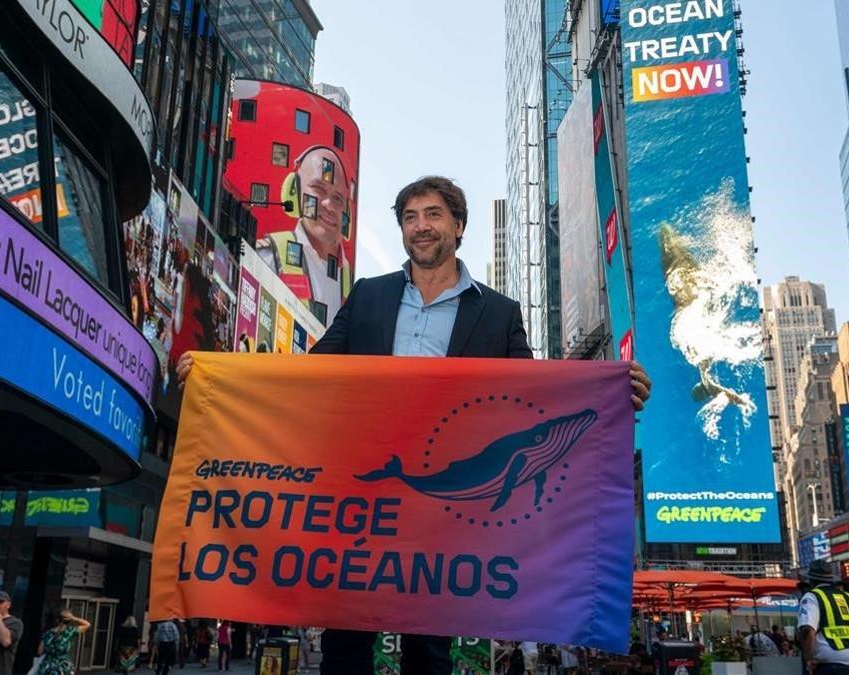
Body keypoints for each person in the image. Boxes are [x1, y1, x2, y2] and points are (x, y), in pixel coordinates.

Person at [176, 176, 653, 675]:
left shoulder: (498, 313)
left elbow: (531, 398)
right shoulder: (368, 297)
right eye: (409, 218)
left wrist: (609, 398)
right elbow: (309, 375)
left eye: (432, 215)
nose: (420, 227)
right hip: (361, 504)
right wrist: (219, 376)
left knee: (429, 649)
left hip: (441, 514)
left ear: (458, 226)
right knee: (346, 640)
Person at [255, 146, 355, 325]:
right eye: (319, 188)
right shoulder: (268, 255)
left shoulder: (351, 282)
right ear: (294, 191)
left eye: (338, 199)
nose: (329, 205)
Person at [797, 560, 849, 675]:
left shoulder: (812, 597)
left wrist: (809, 660)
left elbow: (807, 630)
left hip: (832, 665)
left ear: (811, 581)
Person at [37, 608, 91, 675]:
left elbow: (39, 652)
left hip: (48, 667)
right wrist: (74, 618)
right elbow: (87, 624)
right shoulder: (69, 632)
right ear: (69, 620)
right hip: (63, 667)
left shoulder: (47, 634)